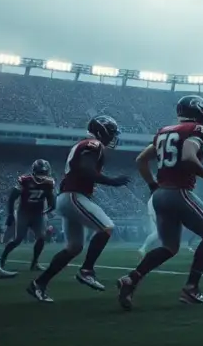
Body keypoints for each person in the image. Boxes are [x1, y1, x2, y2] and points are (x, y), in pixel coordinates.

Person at [116, 96, 203, 311]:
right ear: (198, 111)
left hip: (160, 194)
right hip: (179, 192)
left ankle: (131, 279)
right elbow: (188, 157)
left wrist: (152, 185)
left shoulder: (164, 131)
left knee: (169, 247)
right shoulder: (196, 130)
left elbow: (141, 160)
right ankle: (191, 288)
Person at [27, 116, 129, 303]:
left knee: (73, 247)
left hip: (68, 197)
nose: (113, 137)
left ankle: (39, 284)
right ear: (101, 131)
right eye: (112, 133)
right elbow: (85, 169)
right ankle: (87, 270)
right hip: (74, 195)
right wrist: (112, 181)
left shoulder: (85, 144)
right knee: (107, 227)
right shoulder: (93, 144)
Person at [0, 159, 55, 271]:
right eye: (40, 172)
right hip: (23, 212)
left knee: (41, 238)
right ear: (34, 171)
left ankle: (34, 263)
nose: (42, 176)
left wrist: (49, 209)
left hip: (38, 213)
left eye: (44, 173)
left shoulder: (49, 183)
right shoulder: (25, 180)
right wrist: (10, 214)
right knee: (18, 239)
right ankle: (2, 257)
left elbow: (51, 199)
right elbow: (12, 198)